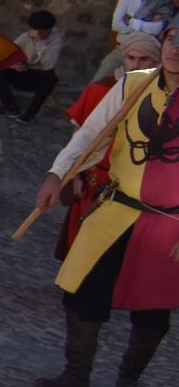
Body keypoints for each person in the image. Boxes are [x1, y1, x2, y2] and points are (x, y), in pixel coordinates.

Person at [33, 25, 179, 387]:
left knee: (153, 311)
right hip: (116, 207)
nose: (175, 49)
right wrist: (57, 174)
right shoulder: (134, 84)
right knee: (82, 294)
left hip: (169, 224)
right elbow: (91, 135)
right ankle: (75, 375)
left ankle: (129, 377)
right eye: (172, 38)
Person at [55, 31, 162, 262]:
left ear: (156, 62)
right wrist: (74, 173)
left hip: (128, 181)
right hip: (95, 174)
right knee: (80, 237)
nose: (135, 64)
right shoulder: (100, 89)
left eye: (144, 60)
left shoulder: (161, 96)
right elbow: (83, 133)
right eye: (131, 58)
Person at [0, 10, 65, 122]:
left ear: (45, 31)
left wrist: (39, 42)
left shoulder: (55, 41)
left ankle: (30, 114)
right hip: (22, 73)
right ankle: (10, 106)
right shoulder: (25, 37)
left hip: (38, 77)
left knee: (50, 78)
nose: (31, 32)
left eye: (35, 30)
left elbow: (48, 66)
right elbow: (9, 52)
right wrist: (14, 64)